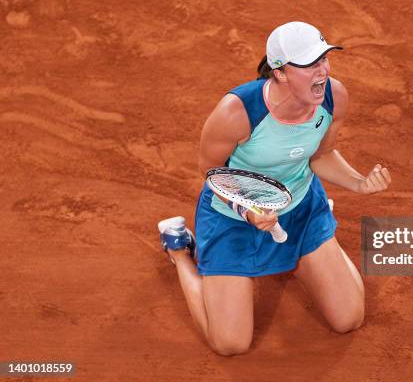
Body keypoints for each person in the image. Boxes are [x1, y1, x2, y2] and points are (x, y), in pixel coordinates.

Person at [158, 21, 391, 356]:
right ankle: (179, 251)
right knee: (230, 343)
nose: (322, 72)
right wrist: (248, 211)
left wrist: (359, 182)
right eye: (310, 64)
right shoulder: (237, 112)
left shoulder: (334, 97)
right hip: (233, 219)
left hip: (300, 210)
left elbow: (320, 155)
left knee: (348, 319)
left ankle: (316, 241)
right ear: (280, 72)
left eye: (324, 60)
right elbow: (211, 173)